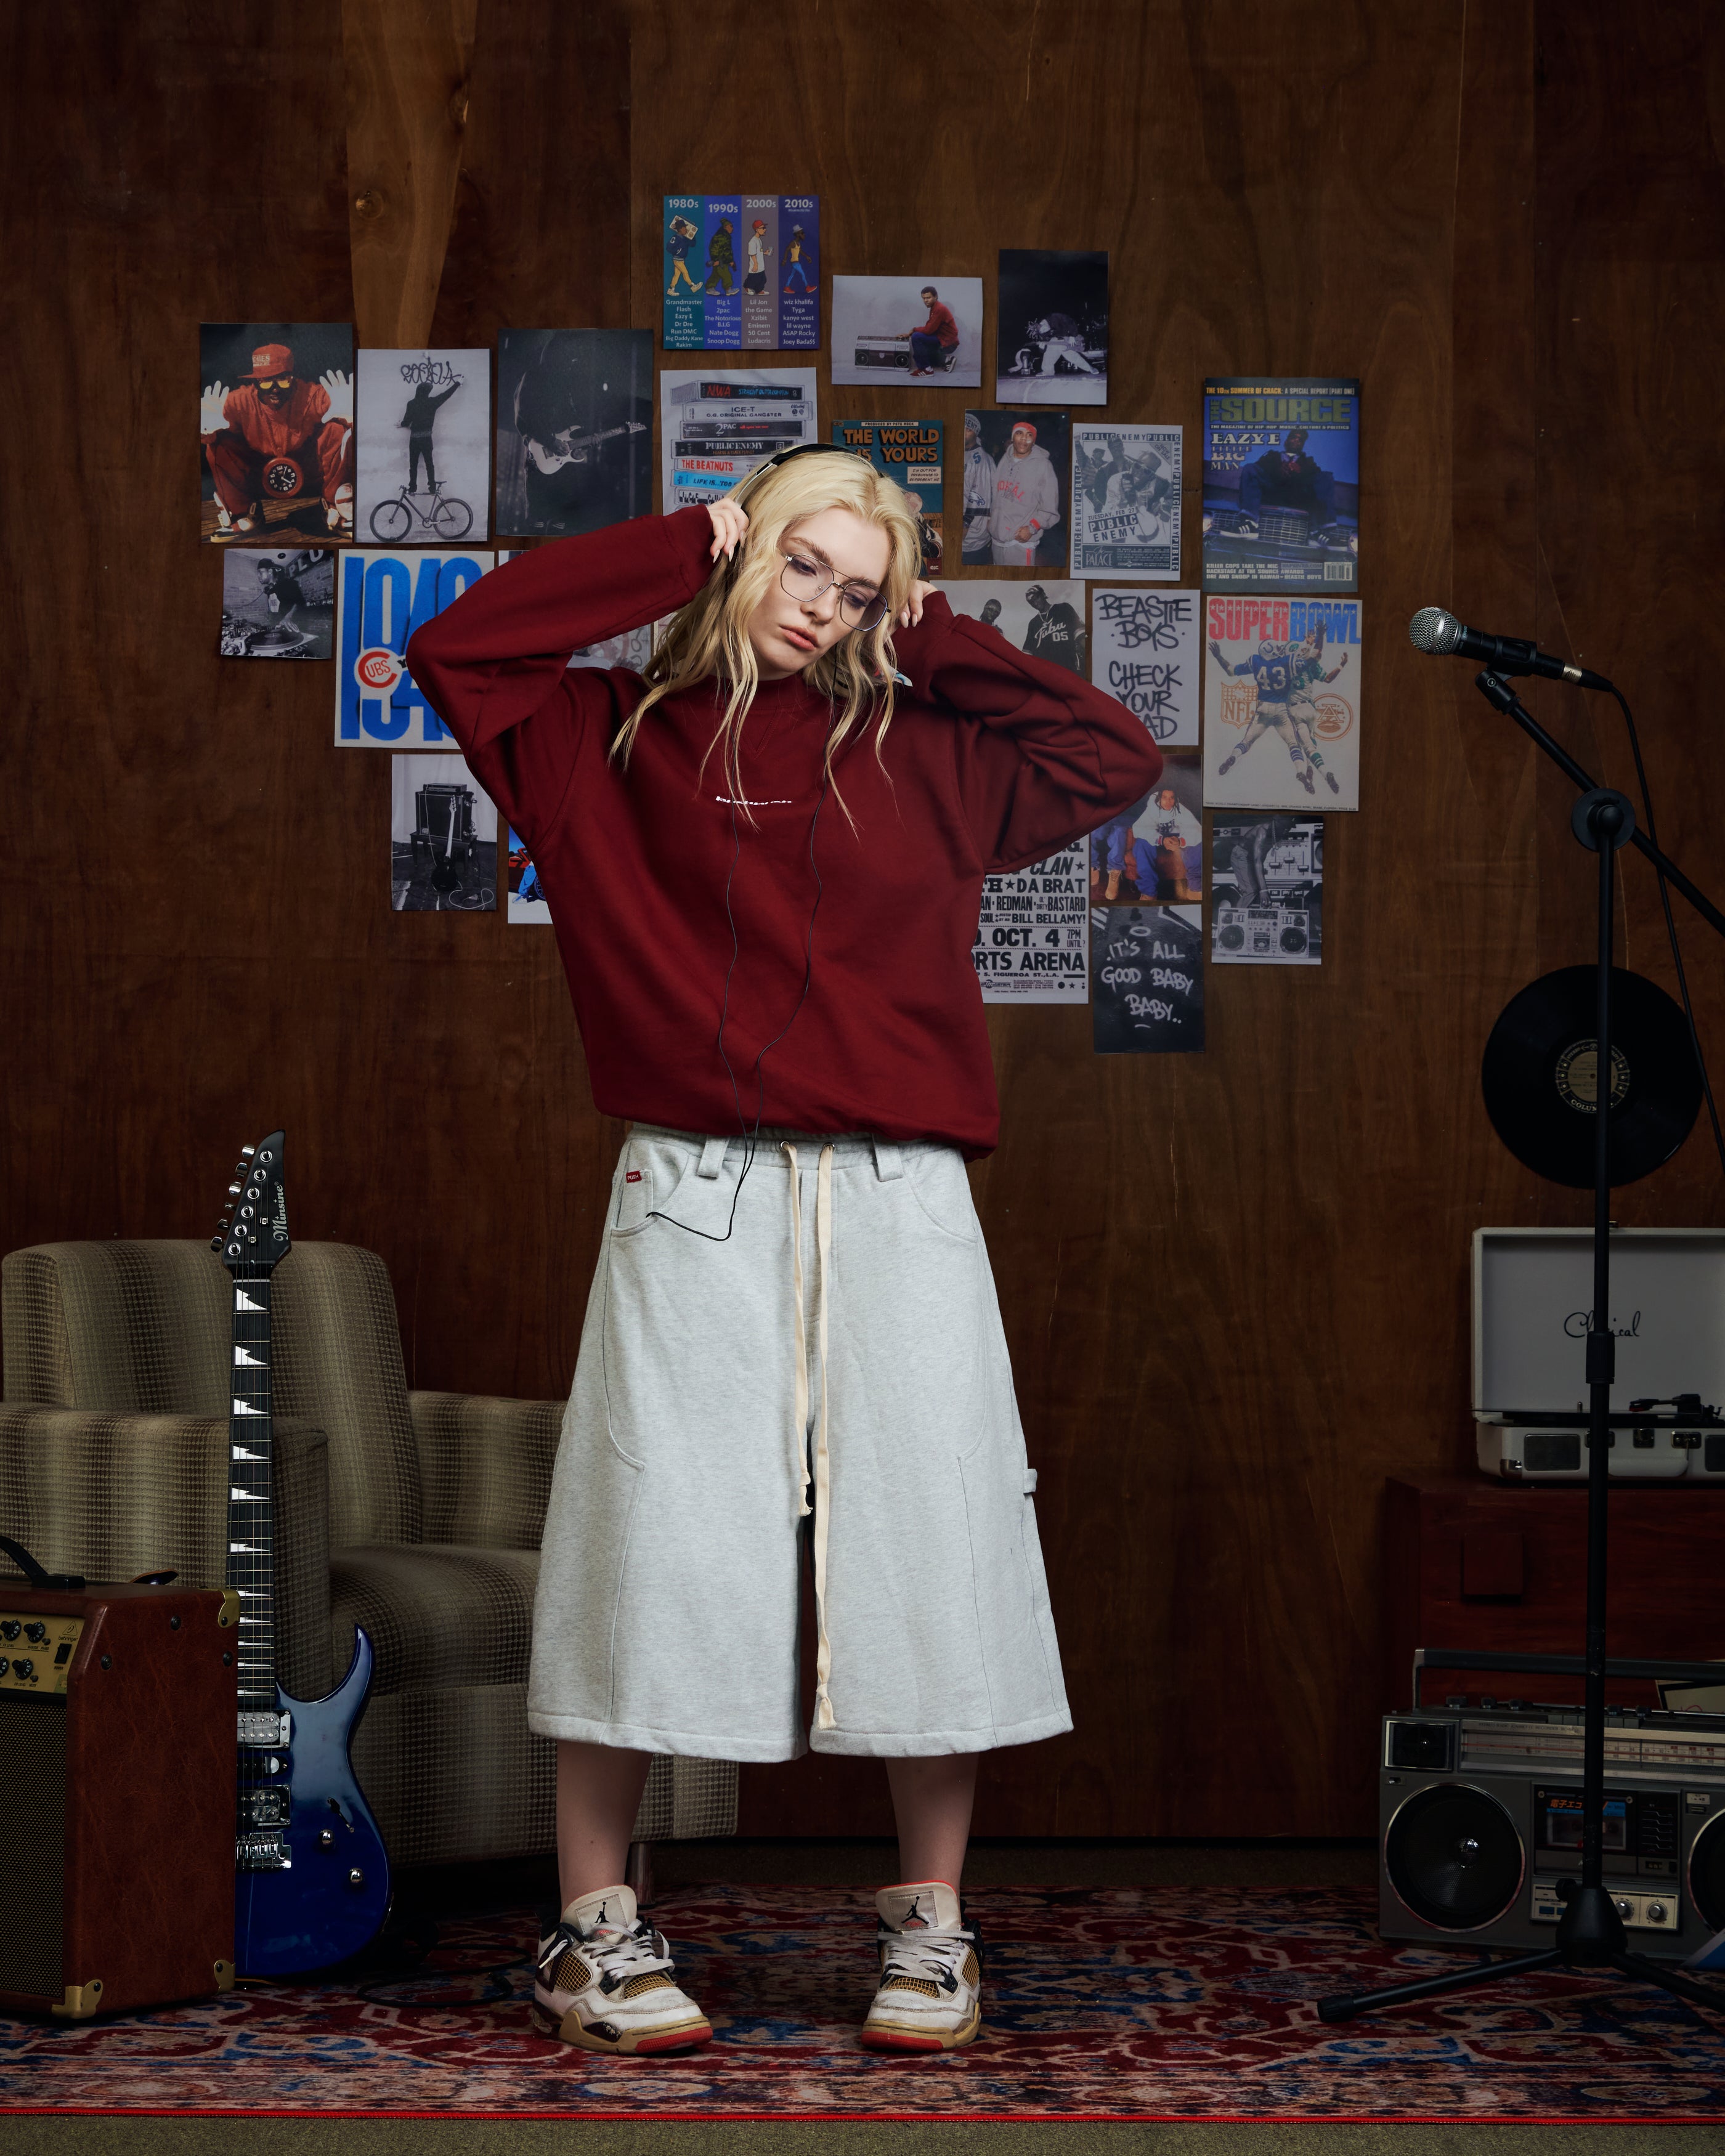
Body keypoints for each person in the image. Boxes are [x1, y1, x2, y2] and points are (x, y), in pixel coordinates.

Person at [407, 447, 1160, 2060]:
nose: (823, 606)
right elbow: (460, 646)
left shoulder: (930, 750)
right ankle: (596, 1924)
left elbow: (1113, 754)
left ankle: (931, 1923)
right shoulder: (600, 738)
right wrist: (677, 545)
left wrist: (931, 634)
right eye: (800, 564)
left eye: (859, 588)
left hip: (903, 1194)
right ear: (740, 551)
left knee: (929, 1536)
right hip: (695, 1187)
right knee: (651, 1537)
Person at [200, 341, 354, 538]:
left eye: (283, 380)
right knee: (218, 444)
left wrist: (354, 412)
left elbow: (354, 422)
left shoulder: (311, 394)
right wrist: (204, 428)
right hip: (258, 473)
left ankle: (336, 509)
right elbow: (207, 433)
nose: (275, 389)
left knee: (338, 429)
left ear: (292, 378)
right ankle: (242, 514)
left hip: (309, 471)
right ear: (256, 382)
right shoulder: (239, 400)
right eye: (266, 381)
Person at [1209, 637, 1314, 795]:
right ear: (1272, 652)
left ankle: (1233, 757)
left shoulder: (1256, 661)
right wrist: (1312, 643)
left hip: (1263, 709)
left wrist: (1218, 656)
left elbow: (1230, 670)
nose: (1279, 649)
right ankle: (1300, 772)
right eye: (1276, 648)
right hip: (1282, 710)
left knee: (1246, 742)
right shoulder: (1287, 661)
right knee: (1294, 745)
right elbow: (1309, 662)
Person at [987, 421, 1060, 567]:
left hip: (1020, 542)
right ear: (1012, 437)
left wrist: (1032, 528)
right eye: (1019, 433)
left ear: (1034, 441)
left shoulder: (1043, 466)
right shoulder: (1004, 461)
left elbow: (1050, 508)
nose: (1024, 439)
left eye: (1029, 435)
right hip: (997, 540)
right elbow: (995, 495)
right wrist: (991, 520)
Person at [1286, 630, 1349, 796]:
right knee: (1311, 741)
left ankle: (1324, 772)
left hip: (1295, 708)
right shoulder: (1311, 663)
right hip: (1310, 708)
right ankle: (1309, 768)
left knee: (1303, 746)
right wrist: (1341, 665)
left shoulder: (1287, 665)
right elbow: (1328, 678)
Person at [1238, 428, 1334, 523]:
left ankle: (1324, 524)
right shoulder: (1271, 455)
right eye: (1294, 437)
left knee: (1326, 476)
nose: (1297, 441)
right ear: (1287, 441)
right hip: (1272, 493)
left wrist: (1301, 471)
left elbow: (1318, 480)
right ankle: (1249, 518)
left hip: (1297, 496)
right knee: (1250, 467)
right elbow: (1256, 471)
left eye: (1301, 440)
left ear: (1303, 444)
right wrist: (1277, 469)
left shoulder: (1308, 462)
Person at [399, 373, 462, 493]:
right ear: (427, 392)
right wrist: (458, 383)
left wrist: (401, 424)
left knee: (413, 465)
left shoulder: (411, 404)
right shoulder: (432, 402)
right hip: (427, 438)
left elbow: (407, 422)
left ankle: (412, 488)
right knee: (429, 464)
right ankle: (432, 487)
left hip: (414, 439)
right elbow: (446, 395)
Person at [893, 286, 959, 376]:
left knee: (917, 337)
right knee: (920, 349)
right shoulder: (935, 307)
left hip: (948, 344)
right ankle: (947, 360)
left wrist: (913, 330)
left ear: (936, 297)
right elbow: (930, 327)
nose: (926, 301)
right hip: (943, 338)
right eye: (924, 298)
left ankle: (926, 370)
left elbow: (929, 330)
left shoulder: (939, 309)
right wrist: (910, 334)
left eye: (928, 298)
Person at [1022, 584, 1085, 675]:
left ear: (1043, 595)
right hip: (1045, 673)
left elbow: (1081, 635)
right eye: (1031, 602)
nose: (1035, 603)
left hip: (1068, 668)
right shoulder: (1033, 623)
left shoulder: (1064, 608)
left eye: (1036, 598)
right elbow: (1028, 653)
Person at [961, 414, 996, 563]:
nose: (963, 433)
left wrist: (966, 523)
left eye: (968, 430)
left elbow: (979, 496)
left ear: (976, 433)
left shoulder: (981, 459)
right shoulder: (963, 453)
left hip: (973, 529)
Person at [1026, 312, 1099, 378]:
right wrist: (1042, 349)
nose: (1045, 332)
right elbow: (1045, 345)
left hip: (1068, 338)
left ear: (1042, 324)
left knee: (1072, 356)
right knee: (1051, 351)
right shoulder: (1042, 333)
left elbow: (1070, 321)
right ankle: (1047, 371)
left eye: (1044, 329)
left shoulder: (1054, 317)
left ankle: (1090, 368)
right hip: (1057, 343)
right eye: (1042, 332)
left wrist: (1072, 335)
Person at [666, 216, 701, 298]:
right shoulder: (676, 238)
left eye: (686, 228)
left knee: (676, 275)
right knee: (685, 272)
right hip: (677, 260)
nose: (686, 229)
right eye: (684, 228)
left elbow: (693, 244)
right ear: (679, 229)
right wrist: (677, 251)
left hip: (682, 260)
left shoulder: (685, 239)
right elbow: (668, 248)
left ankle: (671, 289)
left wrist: (693, 236)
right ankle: (692, 286)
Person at [704, 217, 736, 297]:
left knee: (716, 274)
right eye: (731, 226)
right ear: (725, 227)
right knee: (726, 274)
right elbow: (714, 249)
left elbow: (728, 251)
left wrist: (731, 261)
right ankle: (728, 289)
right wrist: (715, 260)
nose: (732, 228)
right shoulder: (719, 237)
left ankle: (710, 288)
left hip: (724, 260)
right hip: (720, 260)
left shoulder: (726, 236)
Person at [782, 224, 813, 295]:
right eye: (802, 233)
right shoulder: (793, 243)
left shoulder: (798, 243)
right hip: (795, 263)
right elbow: (787, 250)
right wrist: (784, 260)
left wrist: (807, 257)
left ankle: (786, 287)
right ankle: (807, 287)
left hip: (796, 263)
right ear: (797, 234)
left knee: (792, 275)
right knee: (803, 274)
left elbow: (801, 252)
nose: (804, 235)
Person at [744, 218, 772, 295]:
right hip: (756, 265)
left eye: (765, 228)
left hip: (761, 265)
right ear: (757, 230)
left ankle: (759, 291)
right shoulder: (752, 242)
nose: (765, 230)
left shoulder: (759, 240)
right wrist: (756, 264)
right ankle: (747, 287)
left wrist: (765, 253)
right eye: (763, 228)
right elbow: (752, 254)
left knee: (763, 279)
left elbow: (759, 251)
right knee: (753, 278)